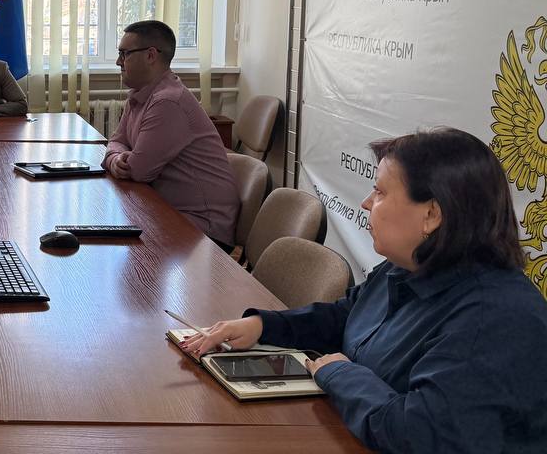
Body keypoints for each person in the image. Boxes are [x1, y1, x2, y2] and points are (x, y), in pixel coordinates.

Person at [181, 128, 547, 453]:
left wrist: (341, 374)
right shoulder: (408, 267)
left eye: (380, 191)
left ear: (432, 215)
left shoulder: (496, 319)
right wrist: (263, 326)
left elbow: (418, 435)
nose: (367, 203)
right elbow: (346, 317)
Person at [103, 20, 238, 249]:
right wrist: (115, 159)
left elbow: (137, 171)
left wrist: (118, 160)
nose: (119, 62)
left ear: (151, 55)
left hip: (203, 230)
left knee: (114, 246)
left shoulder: (167, 102)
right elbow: (117, 141)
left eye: (124, 54)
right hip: (169, 212)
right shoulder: (140, 94)